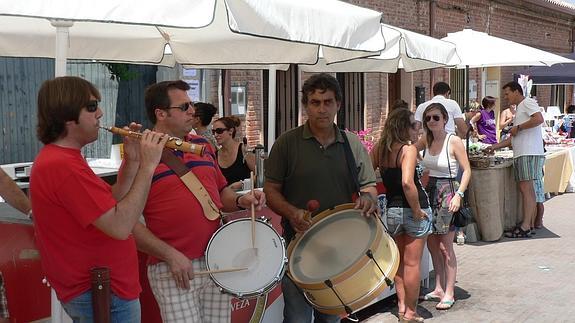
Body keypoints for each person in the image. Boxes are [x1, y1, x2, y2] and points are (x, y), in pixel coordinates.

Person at [30, 76, 168, 322]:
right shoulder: (63, 166)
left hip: (104, 289)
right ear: (67, 115)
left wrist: (134, 161)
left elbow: (108, 205)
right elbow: (119, 225)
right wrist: (148, 167)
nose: (101, 113)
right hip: (101, 293)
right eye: (92, 107)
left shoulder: (65, 160)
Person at [132, 80, 265, 323]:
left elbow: (221, 195)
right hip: (173, 267)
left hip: (216, 258)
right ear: (160, 113)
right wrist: (170, 255)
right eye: (184, 107)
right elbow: (129, 221)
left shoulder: (203, 145)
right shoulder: (139, 154)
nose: (192, 110)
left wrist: (242, 200)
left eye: (191, 104)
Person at [264, 73, 378, 323]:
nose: (322, 109)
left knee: (331, 318)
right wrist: (292, 212)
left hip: (341, 249)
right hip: (298, 247)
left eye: (328, 102)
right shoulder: (286, 143)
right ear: (306, 105)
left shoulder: (351, 143)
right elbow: (270, 190)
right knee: (297, 317)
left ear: (339, 104)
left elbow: (369, 186)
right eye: (315, 102)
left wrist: (369, 198)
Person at [371, 108, 432, 322]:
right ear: (403, 127)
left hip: (392, 210)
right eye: (413, 124)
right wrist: (417, 210)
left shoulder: (379, 148)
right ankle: (411, 313)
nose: (417, 128)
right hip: (413, 208)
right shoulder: (408, 150)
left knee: (398, 262)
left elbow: (367, 176)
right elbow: (408, 182)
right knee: (412, 264)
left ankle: (401, 307)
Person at [418, 103, 471, 311]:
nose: (431, 121)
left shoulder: (453, 140)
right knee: (431, 244)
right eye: (428, 118)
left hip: (447, 190)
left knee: (446, 247)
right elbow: (410, 151)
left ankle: (449, 291)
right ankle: (438, 287)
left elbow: (467, 170)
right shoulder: (426, 139)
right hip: (428, 190)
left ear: (445, 120)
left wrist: (459, 194)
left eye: (436, 118)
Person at [484, 81, 544, 238]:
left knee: (526, 189)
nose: (506, 97)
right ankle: (527, 224)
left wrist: (519, 127)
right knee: (527, 190)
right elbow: (513, 138)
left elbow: (538, 119)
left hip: (527, 152)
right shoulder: (520, 109)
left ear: (517, 91)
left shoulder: (527, 102)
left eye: (507, 93)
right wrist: (494, 147)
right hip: (524, 152)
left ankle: (525, 225)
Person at [214, 116, 255, 190]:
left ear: (231, 131)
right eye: (213, 132)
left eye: (219, 131)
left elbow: (260, 175)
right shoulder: (215, 155)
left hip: (245, 197)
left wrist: (241, 184)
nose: (216, 135)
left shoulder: (244, 150)